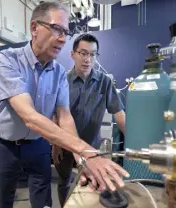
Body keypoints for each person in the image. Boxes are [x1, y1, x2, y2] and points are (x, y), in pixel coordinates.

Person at [0, 2, 129, 208]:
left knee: (43, 199)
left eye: (66, 32)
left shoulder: (59, 72)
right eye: (56, 29)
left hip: (38, 146)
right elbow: (30, 117)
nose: (62, 38)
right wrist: (87, 151)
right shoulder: (7, 60)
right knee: (2, 201)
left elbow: (64, 116)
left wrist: (81, 158)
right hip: (4, 146)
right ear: (34, 28)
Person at [52, 34, 126, 207]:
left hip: (91, 146)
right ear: (73, 54)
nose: (87, 59)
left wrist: (135, 140)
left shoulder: (104, 82)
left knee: (91, 182)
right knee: (64, 182)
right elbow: (57, 116)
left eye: (92, 54)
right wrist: (55, 145)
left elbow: (119, 113)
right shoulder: (62, 81)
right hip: (65, 145)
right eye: (83, 53)